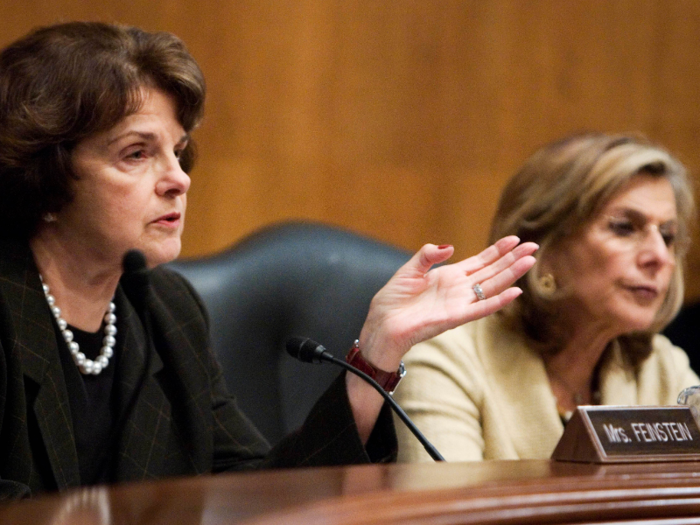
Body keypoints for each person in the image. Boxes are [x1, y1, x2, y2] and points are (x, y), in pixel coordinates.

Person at [0, 22, 537, 499]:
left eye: (178, 151)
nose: (179, 179)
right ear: (42, 176)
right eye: (137, 153)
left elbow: (258, 492)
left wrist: (374, 356)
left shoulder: (163, 309)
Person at [394, 132, 700, 462]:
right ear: (545, 248)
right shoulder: (449, 358)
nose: (659, 256)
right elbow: (450, 510)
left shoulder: (661, 367)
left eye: (667, 236)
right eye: (624, 227)